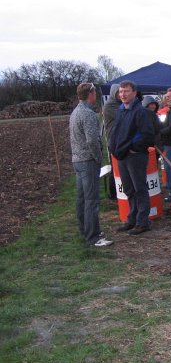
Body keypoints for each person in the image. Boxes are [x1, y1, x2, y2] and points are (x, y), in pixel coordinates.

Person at [109, 80, 155, 235]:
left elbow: (147, 135)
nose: (123, 94)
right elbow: (117, 132)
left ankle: (143, 222)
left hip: (135, 156)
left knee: (140, 189)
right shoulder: (120, 110)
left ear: (134, 93)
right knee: (129, 189)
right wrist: (115, 147)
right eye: (121, 91)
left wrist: (132, 147)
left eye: (126, 91)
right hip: (121, 156)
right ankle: (132, 218)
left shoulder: (140, 111)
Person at [70, 83, 111, 247]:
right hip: (88, 161)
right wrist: (98, 157)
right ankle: (93, 236)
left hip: (77, 160)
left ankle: (84, 230)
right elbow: (92, 140)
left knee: (81, 198)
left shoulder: (75, 112)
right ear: (91, 94)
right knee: (91, 200)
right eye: (95, 92)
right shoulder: (88, 114)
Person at [102, 83, 121, 200]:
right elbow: (122, 117)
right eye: (119, 92)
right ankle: (113, 194)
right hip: (114, 139)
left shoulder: (119, 104)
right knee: (115, 168)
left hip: (120, 139)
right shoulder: (110, 106)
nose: (121, 94)